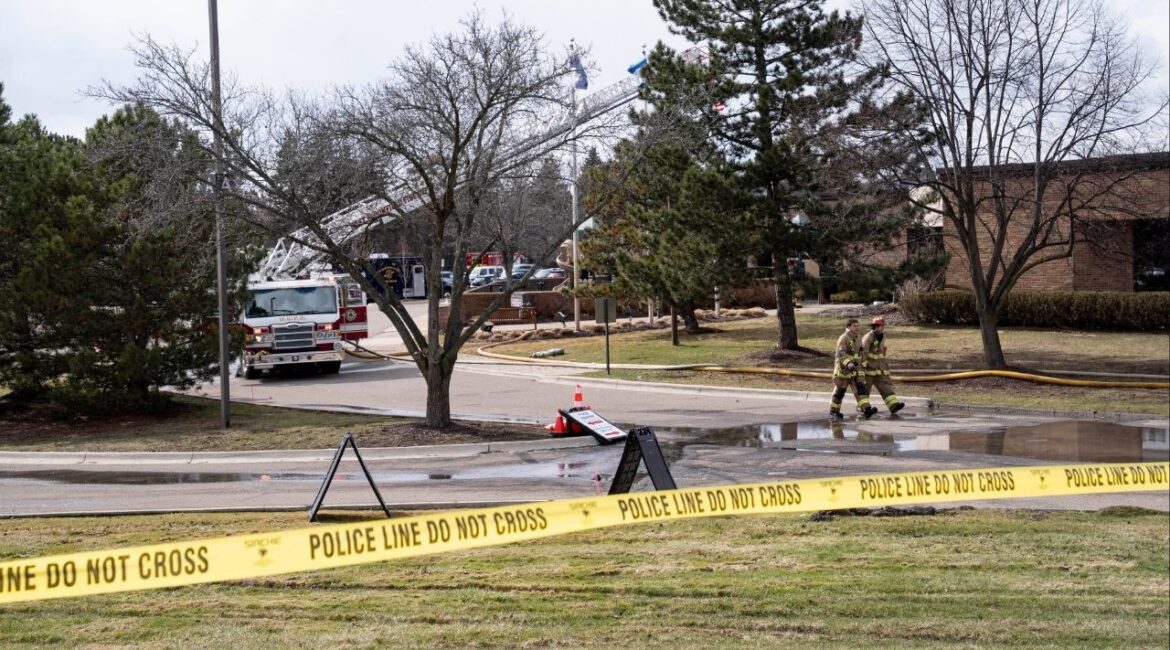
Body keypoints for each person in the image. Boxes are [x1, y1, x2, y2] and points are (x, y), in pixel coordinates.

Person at [830, 318, 877, 420]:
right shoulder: (844, 338)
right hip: (844, 369)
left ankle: (866, 409)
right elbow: (840, 354)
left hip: (856, 369)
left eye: (858, 326)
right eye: (854, 326)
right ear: (848, 327)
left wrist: (863, 363)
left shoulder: (858, 337)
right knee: (840, 392)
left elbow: (860, 352)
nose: (857, 328)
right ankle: (834, 411)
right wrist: (848, 363)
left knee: (860, 389)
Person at [860, 315, 906, 415]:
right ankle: (863, 408)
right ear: (875, 327)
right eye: (881, 326)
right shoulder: (868, 337)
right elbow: (863, 353)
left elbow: (879, 353)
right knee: (866, 389)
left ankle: (893, 405)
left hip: (879, 369)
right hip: (868, 369)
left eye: (883, 326)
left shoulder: (882, 336)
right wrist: (863, 367)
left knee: (885, 386)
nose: (882, 328)